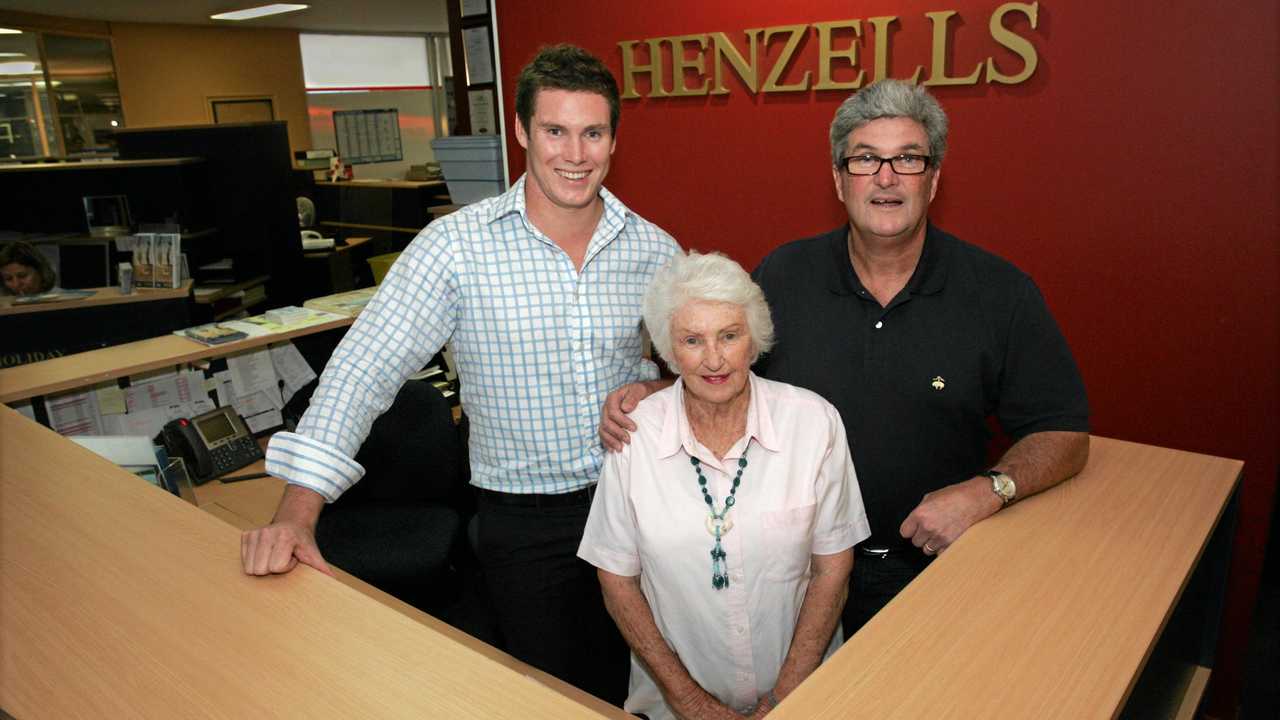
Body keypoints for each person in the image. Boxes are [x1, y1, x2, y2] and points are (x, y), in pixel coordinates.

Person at [240, 44, 679, 704]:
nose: (575, 153)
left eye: (592, 133)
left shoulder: (652, 247)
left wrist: (652, 386)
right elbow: (365, 369)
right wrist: (297, 514)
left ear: (614, 139)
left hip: (637, 499)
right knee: (562, 693)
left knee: (649, 677)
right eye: (555, 131)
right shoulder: (455, 247)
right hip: (525, 522)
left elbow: (698, 370)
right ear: (524, 131)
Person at [601, 80, 1089, 639]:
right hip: (793, 579)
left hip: (934, 570)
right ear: (838, 179)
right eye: (865, 159)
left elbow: (1064, 432)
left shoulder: (1000, 293)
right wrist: (659, 391)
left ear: (934, 178)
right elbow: (727, 372)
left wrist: (989, 489)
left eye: (907, 158)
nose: (886, 177)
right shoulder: (783, 276)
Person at [580, 251, 869, 720]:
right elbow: (616, 580)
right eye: (692, 340)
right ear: (669, 352)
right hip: (672, 703)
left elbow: (832, 568)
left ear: (753, 341)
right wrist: (690, 703)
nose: (713, 359)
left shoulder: (813, 422)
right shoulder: (635, 434)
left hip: (807, 698)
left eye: (729, 336)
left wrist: (786, 694)